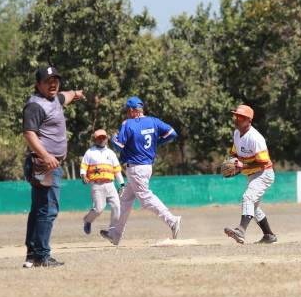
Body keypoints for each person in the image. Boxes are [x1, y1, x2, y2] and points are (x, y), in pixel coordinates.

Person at [21, 65, 85, 268]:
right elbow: (29, 134)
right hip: (44, 164)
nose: (53, 84)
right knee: (47, 209)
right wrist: (46, 156)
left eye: (56, 80)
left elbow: (65, 96)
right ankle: (41, 255)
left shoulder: (54, 99)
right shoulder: (35, 105)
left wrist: (76, 93)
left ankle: (33, 254)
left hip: (49, 162)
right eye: (48, 81)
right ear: (38, 84)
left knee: (39, 209)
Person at [100, 96, 182, 246]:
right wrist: (157, 142)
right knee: (125, 200)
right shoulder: (154, 121)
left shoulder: (129, 123)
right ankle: (115, 234)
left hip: (136, 167)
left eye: (127, 110)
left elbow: (119, 145)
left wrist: (113, 137)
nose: (127, 113)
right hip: (146, 166)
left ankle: (172, 220)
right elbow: (172, 133)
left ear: (131, 110)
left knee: (145, 197)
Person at [223, 104, 277, 244]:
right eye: (236, 116)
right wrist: (233, 163)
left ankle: (241, 230)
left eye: (241, 117)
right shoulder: (236, 134)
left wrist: (243, 166)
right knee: (253, 207)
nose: (237, 119)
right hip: (252, 174)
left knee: (248, 198)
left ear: (248, 121)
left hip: (264, 173)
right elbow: (234, 153)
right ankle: (269, 236)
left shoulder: (255, 138)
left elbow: (263, 162)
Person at [80, 129, 124, 238]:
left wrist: (122, 184)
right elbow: (83, 166)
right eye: (99, 138)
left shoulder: (111, 153)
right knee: (99, 209)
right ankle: (88, 220)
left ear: (107, 138)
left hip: (110, 184)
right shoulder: (90, 152)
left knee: (117, 207)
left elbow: (117, 170)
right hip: (97, 185)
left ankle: (112, 231)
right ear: (95, 139)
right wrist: (83, 175)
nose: (101, 140)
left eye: (103, 137)